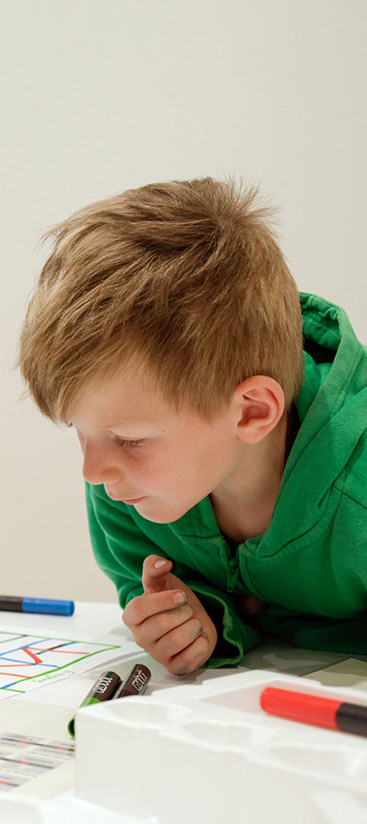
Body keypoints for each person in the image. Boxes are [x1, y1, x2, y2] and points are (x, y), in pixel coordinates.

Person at [18, 177, 367, 675]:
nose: (93, 470)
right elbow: (154, 583)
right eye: (80, 429)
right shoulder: (130, 488)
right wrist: (197, 619)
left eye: (129, 439)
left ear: (251, 412)